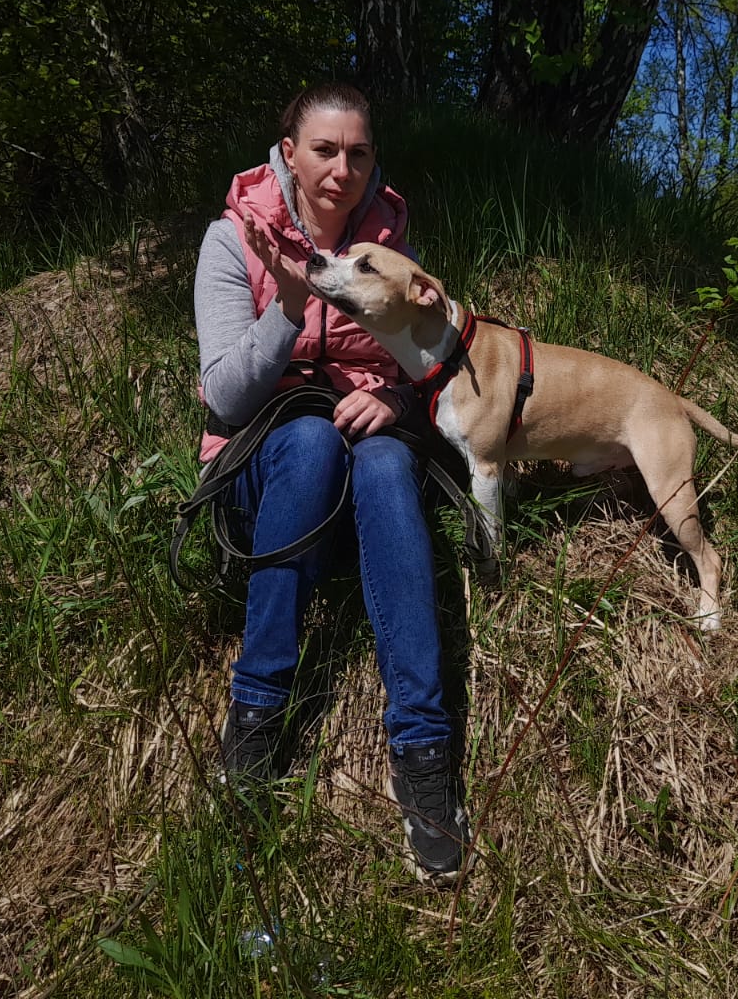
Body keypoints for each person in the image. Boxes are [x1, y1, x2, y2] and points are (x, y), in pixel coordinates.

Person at [192, 81, 469, 881]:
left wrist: (396, 401)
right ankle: (256, 711)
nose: (342, 170)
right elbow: (225, 399)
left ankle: (423, 748)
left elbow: (432, 369)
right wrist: (285, 306)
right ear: (289, 154)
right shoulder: (230, 242)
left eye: (359, 154)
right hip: (265, 467)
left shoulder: (389, 250)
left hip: (363, 478)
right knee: (311, 440)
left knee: (385, 458)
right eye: (324, 150)